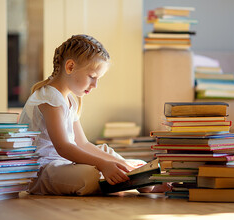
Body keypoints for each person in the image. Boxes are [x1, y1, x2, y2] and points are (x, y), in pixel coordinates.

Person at [19, 34, 170, 195]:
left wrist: (121, 164)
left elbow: (82, 144)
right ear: (70, 67)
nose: (95, 85)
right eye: (92, 77)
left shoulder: (70, 99)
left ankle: (136, 177)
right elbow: (64, 147)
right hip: (42, 171)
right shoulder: (49, 98)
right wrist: (104, 165)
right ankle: (133, 180)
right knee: (90, 175)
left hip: (65, 163)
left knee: (120, 159)